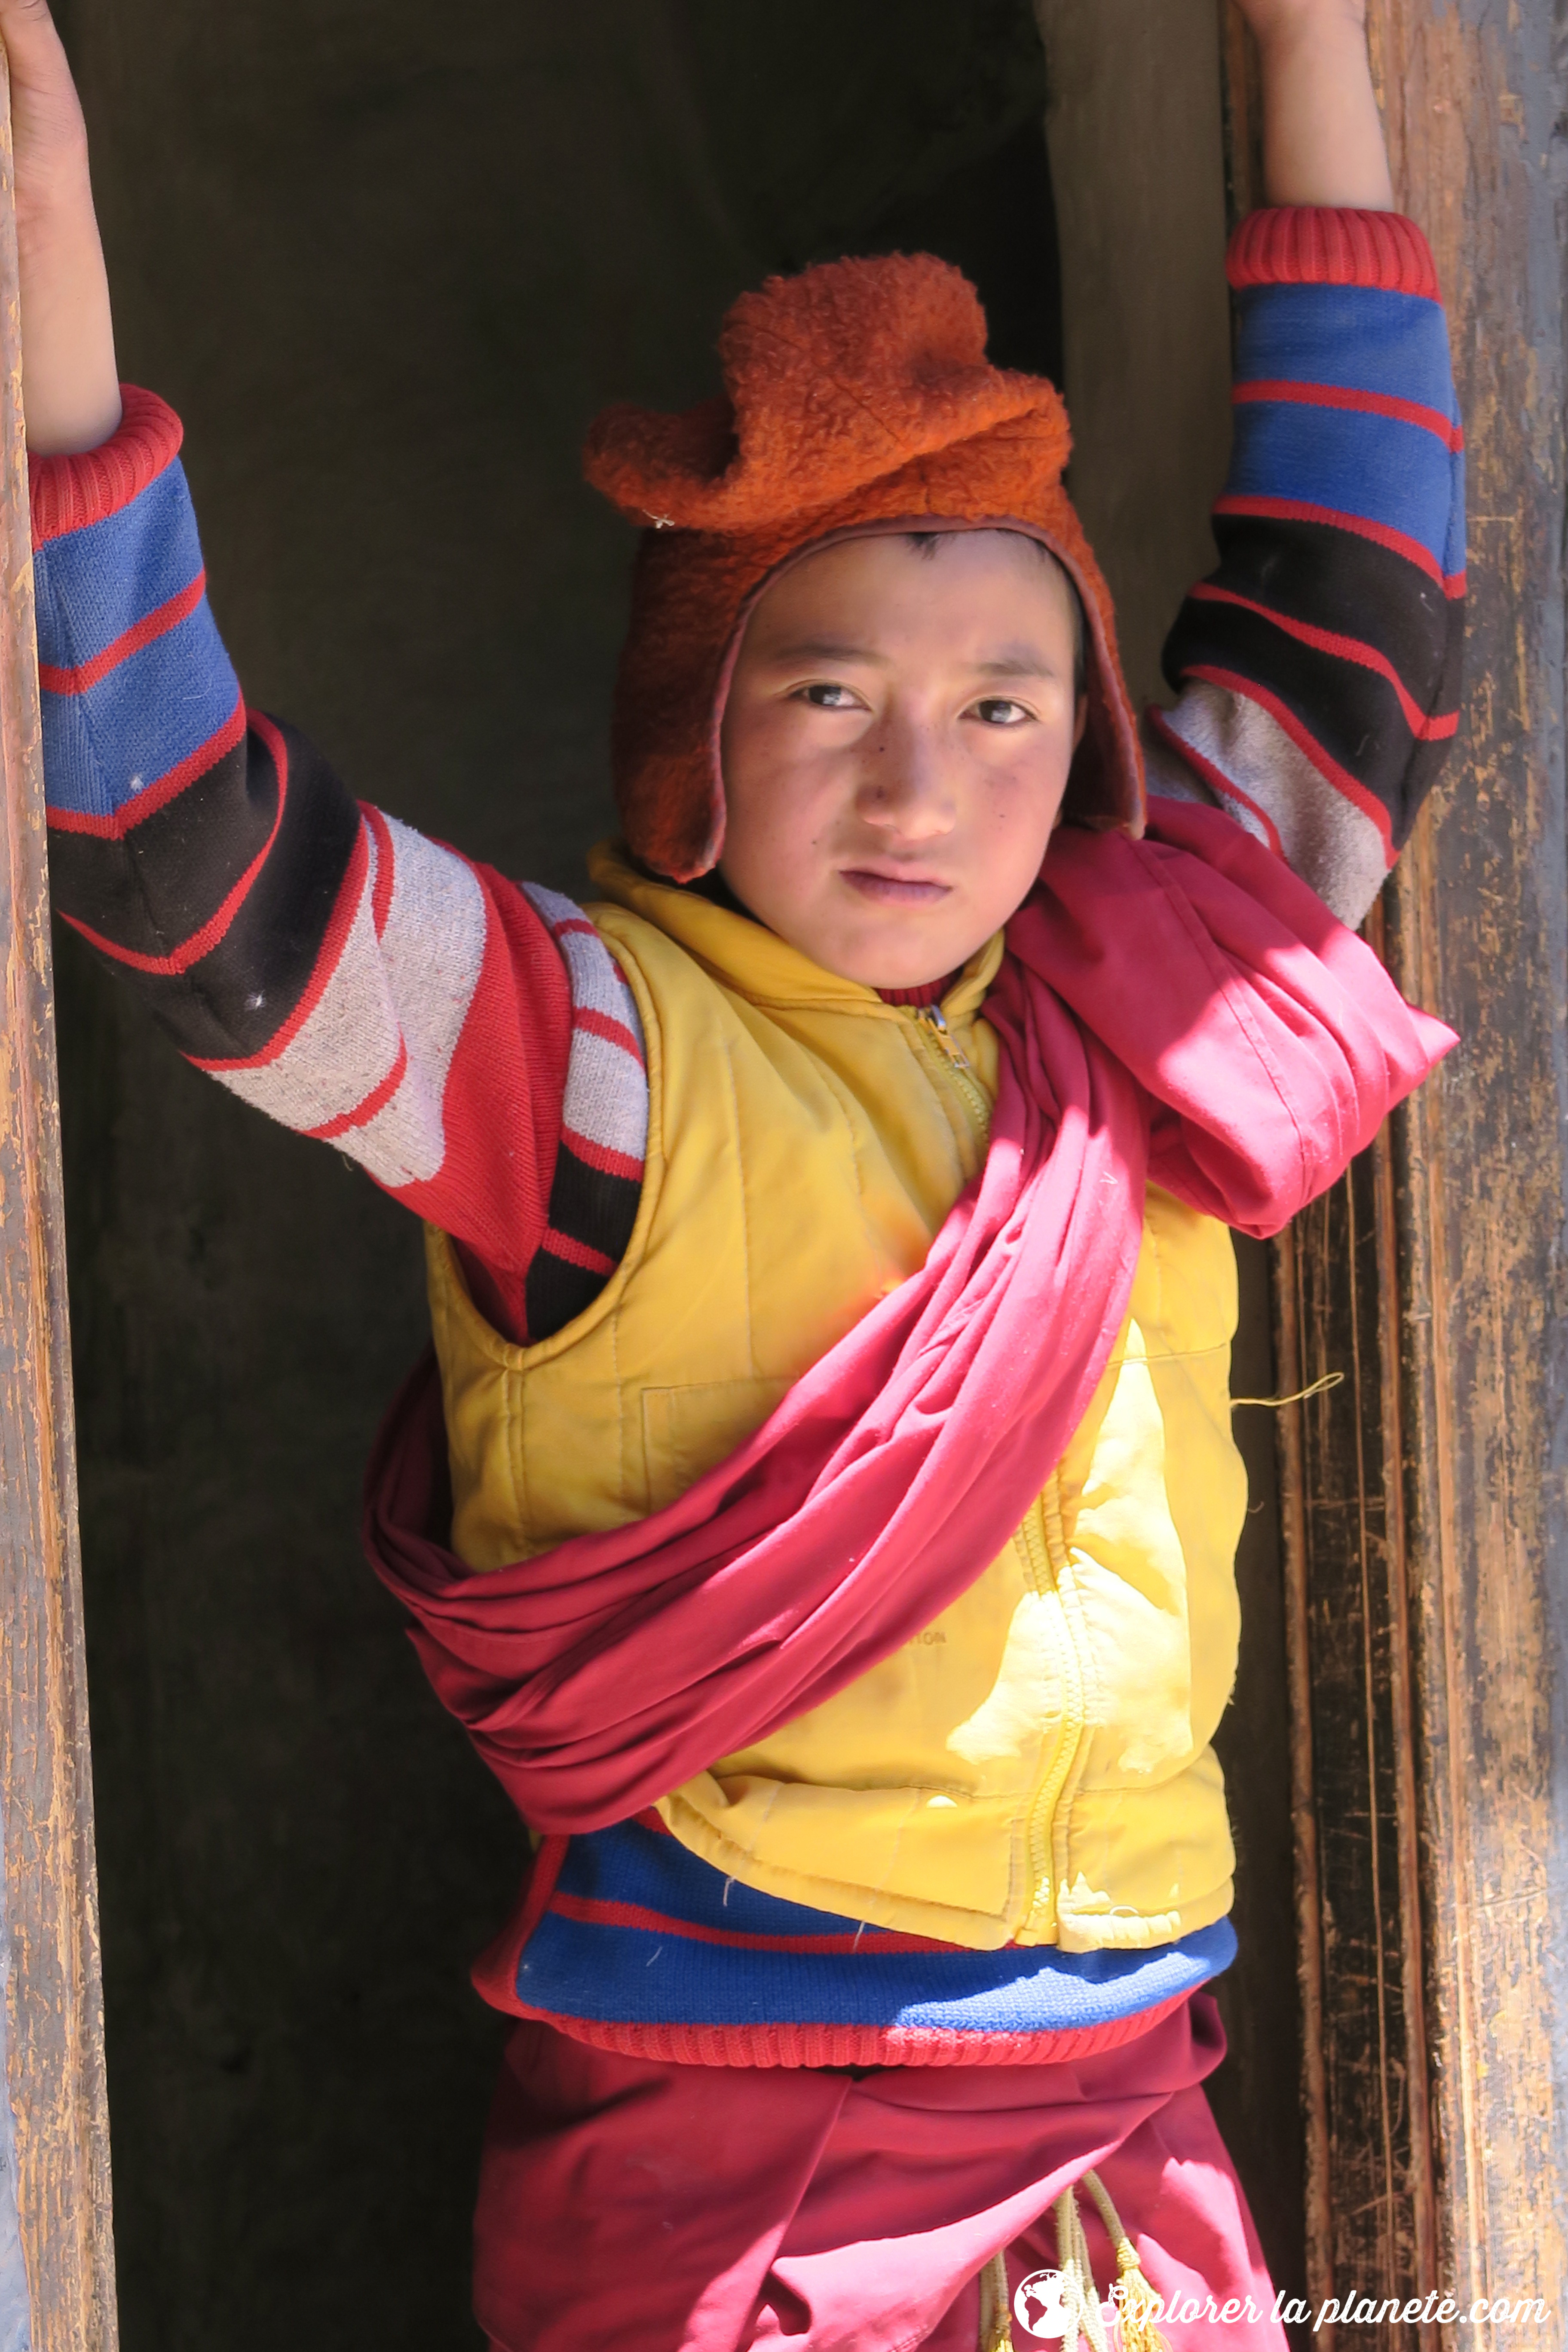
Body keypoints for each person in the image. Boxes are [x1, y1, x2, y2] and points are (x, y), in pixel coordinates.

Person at [2, 0, 1464, 2343]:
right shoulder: (597, 1062)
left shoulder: (1155, 988)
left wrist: (1307, 39)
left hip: (1118, 2115)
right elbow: (195, 875)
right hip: (740, 2140)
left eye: (1005, 704)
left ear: (1086, 741)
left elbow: (1355, 610)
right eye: (828, 695)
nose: (923, 789)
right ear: (696, 732)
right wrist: (57, 316)